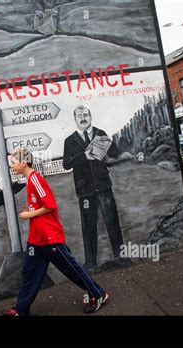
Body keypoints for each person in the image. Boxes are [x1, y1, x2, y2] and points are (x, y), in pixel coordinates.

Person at [1, 148, 109, 316]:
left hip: (50, 238)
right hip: (36, 241)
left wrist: (29, 214)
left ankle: (98, 294)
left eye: (13, 163)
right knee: (29, 274)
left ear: (23, 163)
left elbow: (50, 205)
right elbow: (40, 206)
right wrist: (31, 211)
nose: (12, 167)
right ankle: (20, 310)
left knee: (72, 270)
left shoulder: (35, 179)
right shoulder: (30, 181)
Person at [63, 105, 128, 272]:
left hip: (103, 185)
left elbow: (114, 154)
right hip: (84, 189)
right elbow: (66, 164)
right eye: (79, 115)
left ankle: (120, 256)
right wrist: (83, 156)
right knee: (88, 224)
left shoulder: (100, 133)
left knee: (112, 221)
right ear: (75, 119)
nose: (83, 118)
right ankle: (91, 262)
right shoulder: (70, 141)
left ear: (90, 116)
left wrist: (110, 144)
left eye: (86, 114)